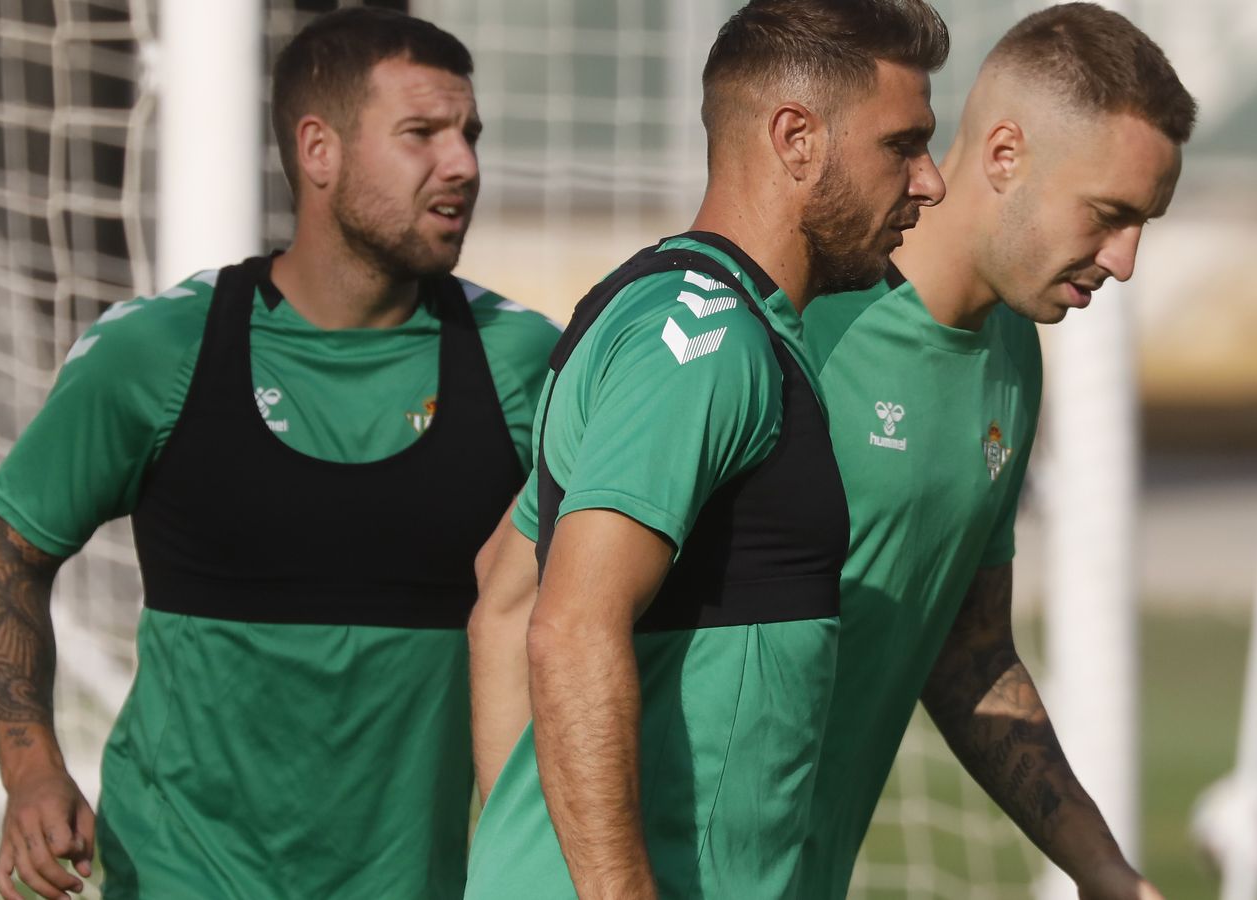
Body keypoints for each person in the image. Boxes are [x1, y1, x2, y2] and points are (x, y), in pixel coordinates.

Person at [0, 8, 557, 899]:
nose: (463, 163)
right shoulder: (157, 353)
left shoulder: (526, 361)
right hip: (176, 875)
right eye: (422, 133)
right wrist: (32, 768)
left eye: (470, 134)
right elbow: (4, 563)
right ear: (319, 151)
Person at [462, 1, 948, 896]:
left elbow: (505, 587)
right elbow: (566, 630)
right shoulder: (705, 342)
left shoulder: (702, 319)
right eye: (903, 144)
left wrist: (517, 852)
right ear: (796, 138)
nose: (930, 181)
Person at [797, 4, 1196, 898]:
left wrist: (1103, 872)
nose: (1125, 260)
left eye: (1145, 224)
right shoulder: (794, 318)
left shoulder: (1014, 352)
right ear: (1005, 156)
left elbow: (968, 652)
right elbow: (553, 613)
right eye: (1108, 214)